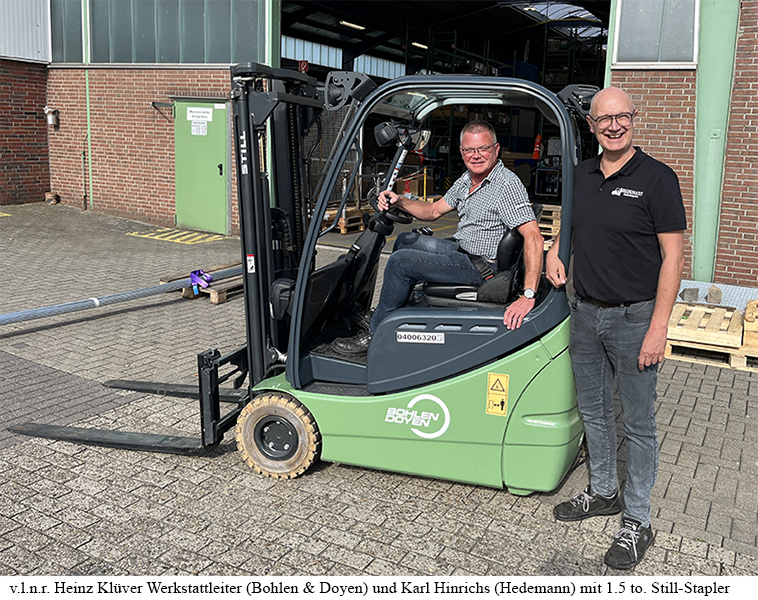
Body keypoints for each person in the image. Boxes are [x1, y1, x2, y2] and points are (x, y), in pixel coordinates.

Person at [545, 87, 686, 570]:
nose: (613, 126)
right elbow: (571, 225)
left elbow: (673, 257)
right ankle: (603, 492)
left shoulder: (657, 179)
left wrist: (659, 326)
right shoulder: (582, 174)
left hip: (634, 318)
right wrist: (552, 249)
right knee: (594, 412)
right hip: (584, 313)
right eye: (603, 119)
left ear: (633, 119)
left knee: (638, 423)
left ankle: (638, 520)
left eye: (621, 117)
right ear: (591, 124)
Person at [332, 120, 543, 355]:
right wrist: (399, 200)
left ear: (496, 149)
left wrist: (528, 295)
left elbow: (534, 237)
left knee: (400, 262)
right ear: (462, 152)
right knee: (405, 241)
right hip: (463, 250)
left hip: (481, 266)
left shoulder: (506, 185)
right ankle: (398, 310)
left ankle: (375, 332)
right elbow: (433, 211)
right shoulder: (467, 180)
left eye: (483, 148)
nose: (476, 156)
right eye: (469, 150)